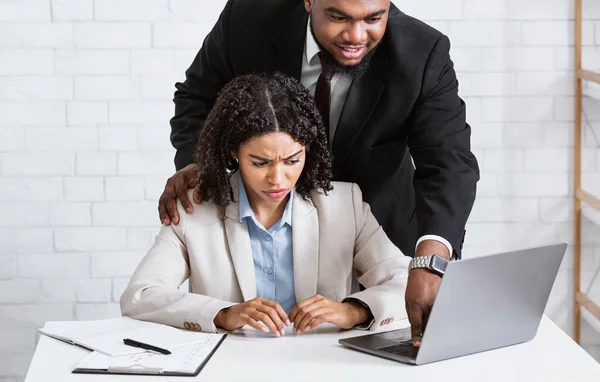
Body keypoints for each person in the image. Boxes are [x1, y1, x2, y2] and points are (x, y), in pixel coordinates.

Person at [158, 0, 480, 345]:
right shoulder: (248, 18)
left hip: (380, 228)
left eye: (374, 18)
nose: (356, 35)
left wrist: (430, 260)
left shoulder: (423, 51)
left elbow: (448, 162)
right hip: (265, 219)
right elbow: (196, 96)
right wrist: (200, 165)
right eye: (338, 17)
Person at [121, 73, 410, 336]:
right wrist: (222, 314)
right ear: (233, 151)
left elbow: (405, 282)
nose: (277, 178)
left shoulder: (345, 205)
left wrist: (353, 311)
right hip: (231, 369)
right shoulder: (195, 212)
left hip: (324, 368)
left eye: (293, 160)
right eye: (260, 163)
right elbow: (140, 296)